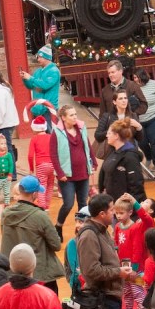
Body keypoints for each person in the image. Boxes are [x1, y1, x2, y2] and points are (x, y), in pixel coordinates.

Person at [0, 175, 65, 293]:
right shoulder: (40, 216)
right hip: (38, 275)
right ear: (34, 194)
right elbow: (56, 245)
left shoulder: (5, 214)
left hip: (12, 274)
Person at [50, 104, 97, 243]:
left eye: (75, 114)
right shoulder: (57, 132)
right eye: (71, 115)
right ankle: (58, 226)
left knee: (83, 204)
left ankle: (81, 229)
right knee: (68, 203)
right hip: (67, 176)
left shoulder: (81, 128)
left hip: (83, 172)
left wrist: (93, 162)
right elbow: (53, 154)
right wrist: (59, 172)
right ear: (63, 118)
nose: (75, 117)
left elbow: (87, 145)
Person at [114, 193, 155, 309]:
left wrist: (134, 201)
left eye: (121, 212)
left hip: (135, 269)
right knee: (126, 292)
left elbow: (137, 249)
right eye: (117, 213)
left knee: (138, 293)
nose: (118, 216)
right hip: (124, 268)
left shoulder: (138, 226)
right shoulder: (117, 227)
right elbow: (116, 245)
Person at [98, 118, 146, 204]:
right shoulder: (113, 152)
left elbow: (136, 185)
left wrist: (129, 207)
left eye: (109, 133)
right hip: (112, 203)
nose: (106, 136)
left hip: (124, 208)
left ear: (116, 136)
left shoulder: (130, 156)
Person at [94, 88, 144, 159]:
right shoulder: (107, 116)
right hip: (112, 154)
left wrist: (139, 127)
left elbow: (140, 138)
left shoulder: (133, 116)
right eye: (120, 99)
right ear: (114, 102)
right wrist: (111, 131)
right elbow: (97, 136)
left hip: (129, 154)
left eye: (125, 98)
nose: (124, 101)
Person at [133, 68, 155, 171]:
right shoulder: (132, 88)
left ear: (142, 77)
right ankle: (149, 157)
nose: (134, 79)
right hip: (140, 121)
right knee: (142, 142)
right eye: (133, 77)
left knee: (154, 141)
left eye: (136, 77)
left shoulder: (154, 84)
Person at [0, 69, 19, 175]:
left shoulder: (0, 93)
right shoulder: (5, 90)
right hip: (8, 123)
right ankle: (11, 172)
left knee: (6, 148)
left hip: (4, 124)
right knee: (8, 147)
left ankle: (12, 173)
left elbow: (0, 111)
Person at [20, 44, 61, 121]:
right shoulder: (38, 71)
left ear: (47, 58)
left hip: (48, 109)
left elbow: (45, 85)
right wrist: (25, 79)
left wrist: (30, 78)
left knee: (50, 132)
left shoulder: (54, 71)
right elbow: (31, 86)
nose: (38, 59)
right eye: (38, 57)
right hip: (37, 109)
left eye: (40, 57)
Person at [28, 116, 54, 210]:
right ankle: (47, 205)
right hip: (52, 165)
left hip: (41, 165)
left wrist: (31, 168)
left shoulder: (34, 139)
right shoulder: (51, 137)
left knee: (42, 185)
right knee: (50, 185)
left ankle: (42, 206)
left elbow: (30, 155)